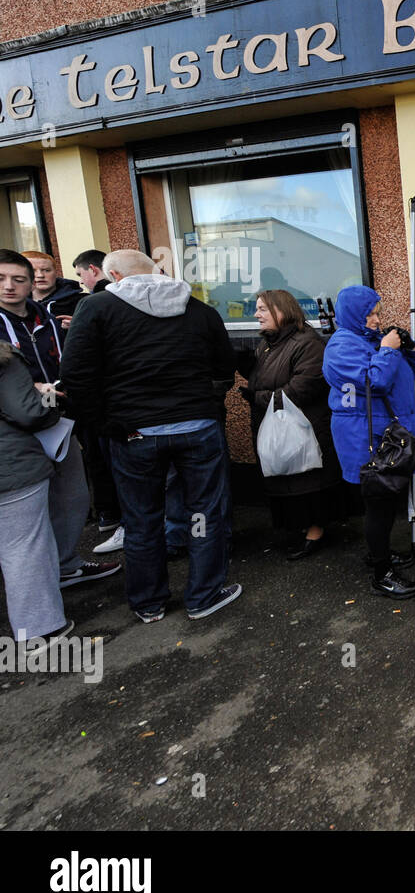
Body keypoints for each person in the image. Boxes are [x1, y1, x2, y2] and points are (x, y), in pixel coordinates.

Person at [60, 249, 240, 623]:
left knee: (141, 520)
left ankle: (148, 602)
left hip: (134, 433)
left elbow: (76, 376)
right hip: (197, 428)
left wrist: (107, 425)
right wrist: (204, 406)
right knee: (203, 513)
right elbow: (224, 366)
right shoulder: (197, 308)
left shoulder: (95, 309)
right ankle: (203, 596)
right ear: (155, 271)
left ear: (112, 275)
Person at [0, 249, 119, 590]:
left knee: (72, 495)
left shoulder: (47, 317)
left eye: (19, 279)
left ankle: (66, 564)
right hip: (13, 431)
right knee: (26, 519)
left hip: (58, 417)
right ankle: (38, 589)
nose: (11, 286)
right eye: (2, 279)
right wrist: (28, 386)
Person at [323, 285, 415, 600]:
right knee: (379, 506)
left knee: (385, 502)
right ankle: (382, 574)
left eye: (379, 312)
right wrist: (388, 349)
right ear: (354, 315)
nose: (377, 318)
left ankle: (378, 553)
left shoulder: (372, 341)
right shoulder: (340, 346)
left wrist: (407, 346)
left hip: (388, 434)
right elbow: (375, 381)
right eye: (370, 313)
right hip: (366, 438)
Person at [237, 289, 345, 559]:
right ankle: (302, 527)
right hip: (276, 426)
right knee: (289, 479)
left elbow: (301, 389)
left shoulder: (308, 343)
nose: (257, 315)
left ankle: (316, 532)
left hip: (303, 428)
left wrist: (257, 397)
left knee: (307, 479)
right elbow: (266, 376)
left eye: (262, 309)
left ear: (281, 311)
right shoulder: (267, 344)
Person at [0, 341, 74, 652]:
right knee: (24, 547)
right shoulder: (4, 360)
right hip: (11, 468)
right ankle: (39, 629)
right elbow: (28, 413)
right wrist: (48, 400)